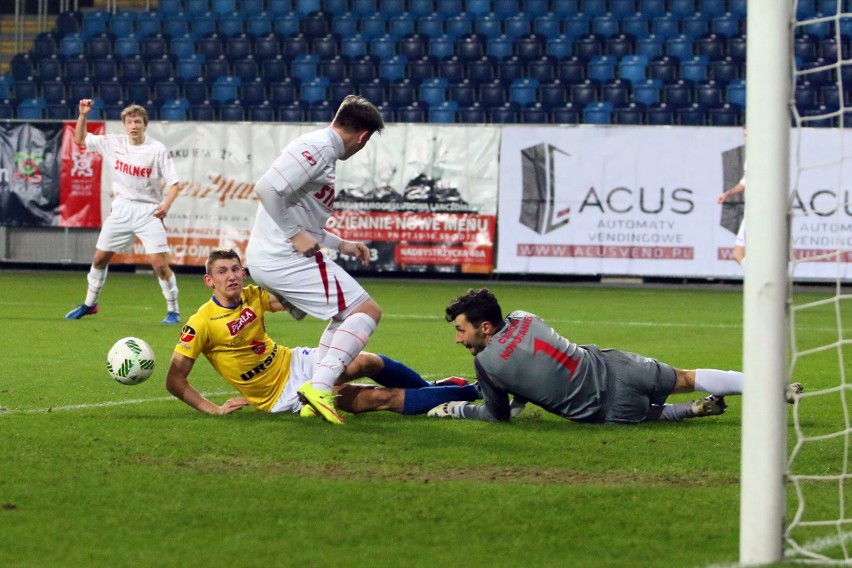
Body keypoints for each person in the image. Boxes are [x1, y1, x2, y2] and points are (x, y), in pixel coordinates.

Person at [166, 249, 479, 419]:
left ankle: (435, 390)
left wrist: (314, 275)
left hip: (296, 362)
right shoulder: (201, 323)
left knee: (370, 361)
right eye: (222, 271)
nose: (231, 276)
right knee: (379, 399)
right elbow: (175, 379)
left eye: (236, 269)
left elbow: (295, 300)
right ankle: (474, 393)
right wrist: (214, 409)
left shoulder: (254, 296)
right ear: (209, 280)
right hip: (281, 397)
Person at [428, 288, 802, 423]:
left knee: (648, 415)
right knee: (687, 378)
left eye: (461, 329)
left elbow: (499, 415)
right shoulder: (525, 317)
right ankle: (772, 387)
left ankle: (688, 411)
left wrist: (455, 409)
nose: (459, 339)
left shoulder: (486, 364)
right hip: (617, 366)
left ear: (486, 328)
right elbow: (528, 358)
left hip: (606, 410)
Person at [246, 95, 385, 424]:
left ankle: (313, 393)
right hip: (282, 255)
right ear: (362, 136)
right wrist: (294, 234)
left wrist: (343, 245)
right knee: (366, 310)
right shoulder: (320, 147)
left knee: (344, 318)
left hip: (277, 256)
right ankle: (320, 389)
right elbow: (266, 189)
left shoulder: (324, 152)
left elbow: (306, 224)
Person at [65, 99, 182, 324]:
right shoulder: (113, 142)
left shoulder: (156, 149)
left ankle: (173, 311)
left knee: (159, 264)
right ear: (124, 125)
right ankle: (90, 304)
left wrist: (165, 205)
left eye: (138, 121)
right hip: (122, 207)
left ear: (145, 125)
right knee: (100, 258)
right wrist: (82, 115)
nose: (134, 125)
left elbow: (174, 183)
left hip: (149, 211)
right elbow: (79, 139)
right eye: (129, 122)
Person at [717, 129, 747, 266]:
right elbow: (744, 183)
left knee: (739, 253)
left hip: (760, 213)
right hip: (752, 212)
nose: (745, 138)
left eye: (747, 134)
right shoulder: (752, 157)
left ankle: (762, 281)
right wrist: (728, 194)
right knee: (737, 254)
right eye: (744, 135)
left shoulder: (763, 157)